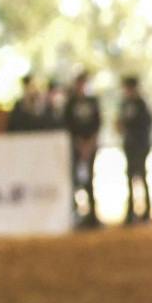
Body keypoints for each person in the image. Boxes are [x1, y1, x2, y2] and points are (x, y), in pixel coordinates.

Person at [64, 72, 104, 228]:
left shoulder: (93, 102)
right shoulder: (71, 103)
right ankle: (76, 214)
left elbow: (97, 123)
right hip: (75, 147)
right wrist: (79, 143)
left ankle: (92, 215)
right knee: (75, 180)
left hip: (90, 146)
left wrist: (89, 143)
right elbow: (68, 125)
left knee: (90, 180)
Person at [117, 74, 152, 225]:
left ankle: (146, 212)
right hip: (129, 145)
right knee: (130, 177)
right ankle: (131, 211)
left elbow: (146, 124)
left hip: (140, 145)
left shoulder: (141, 104)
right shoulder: (124, 104)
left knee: (142, 176)